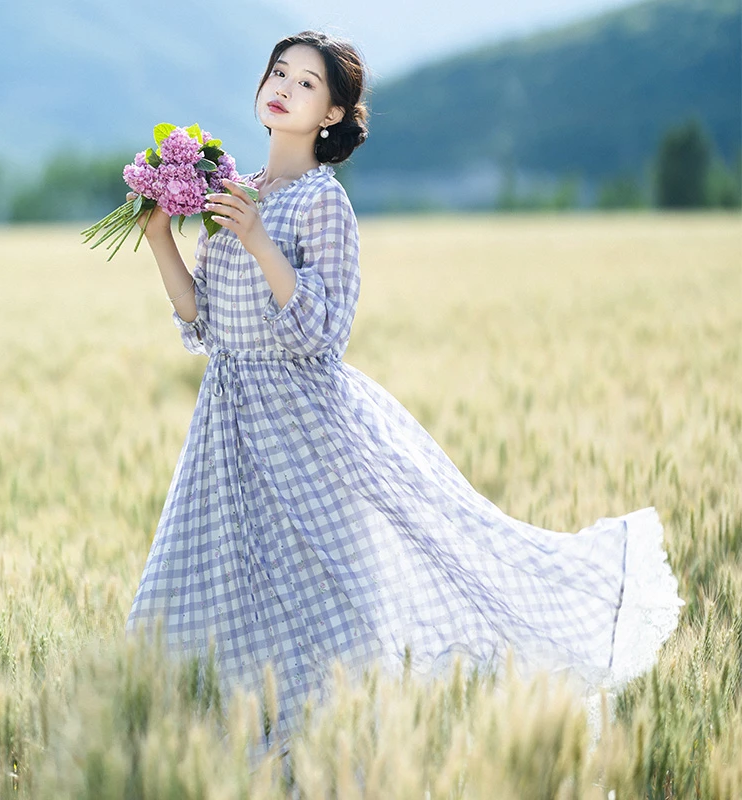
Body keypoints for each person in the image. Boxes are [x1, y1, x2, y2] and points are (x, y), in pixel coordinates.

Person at [124, 30, 684, 756]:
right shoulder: (235, 195)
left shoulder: (323, 204)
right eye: (278, 73)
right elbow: (204, 325)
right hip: (225, 429)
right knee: (209, 596)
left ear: (331, 115)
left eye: (306, 84)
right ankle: (204, 748)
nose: (284, 87)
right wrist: (161, 237)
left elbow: (324, 329)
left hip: (301, 427)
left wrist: (261, 241)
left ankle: (337, 750)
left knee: (327, 602)